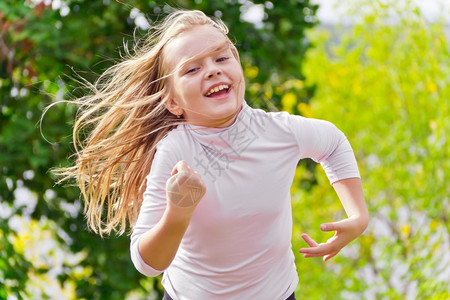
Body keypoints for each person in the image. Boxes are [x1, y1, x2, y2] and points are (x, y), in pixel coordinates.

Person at [56, 9, 368, 300]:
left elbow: (333, 142)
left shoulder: (279, 132)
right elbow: (146, 262)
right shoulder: (176, 151)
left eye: (221, 58)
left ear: (238, 66)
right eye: (192, 68)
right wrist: (178, 213)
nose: (212, 71)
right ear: (172, 102)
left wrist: (358, 216)